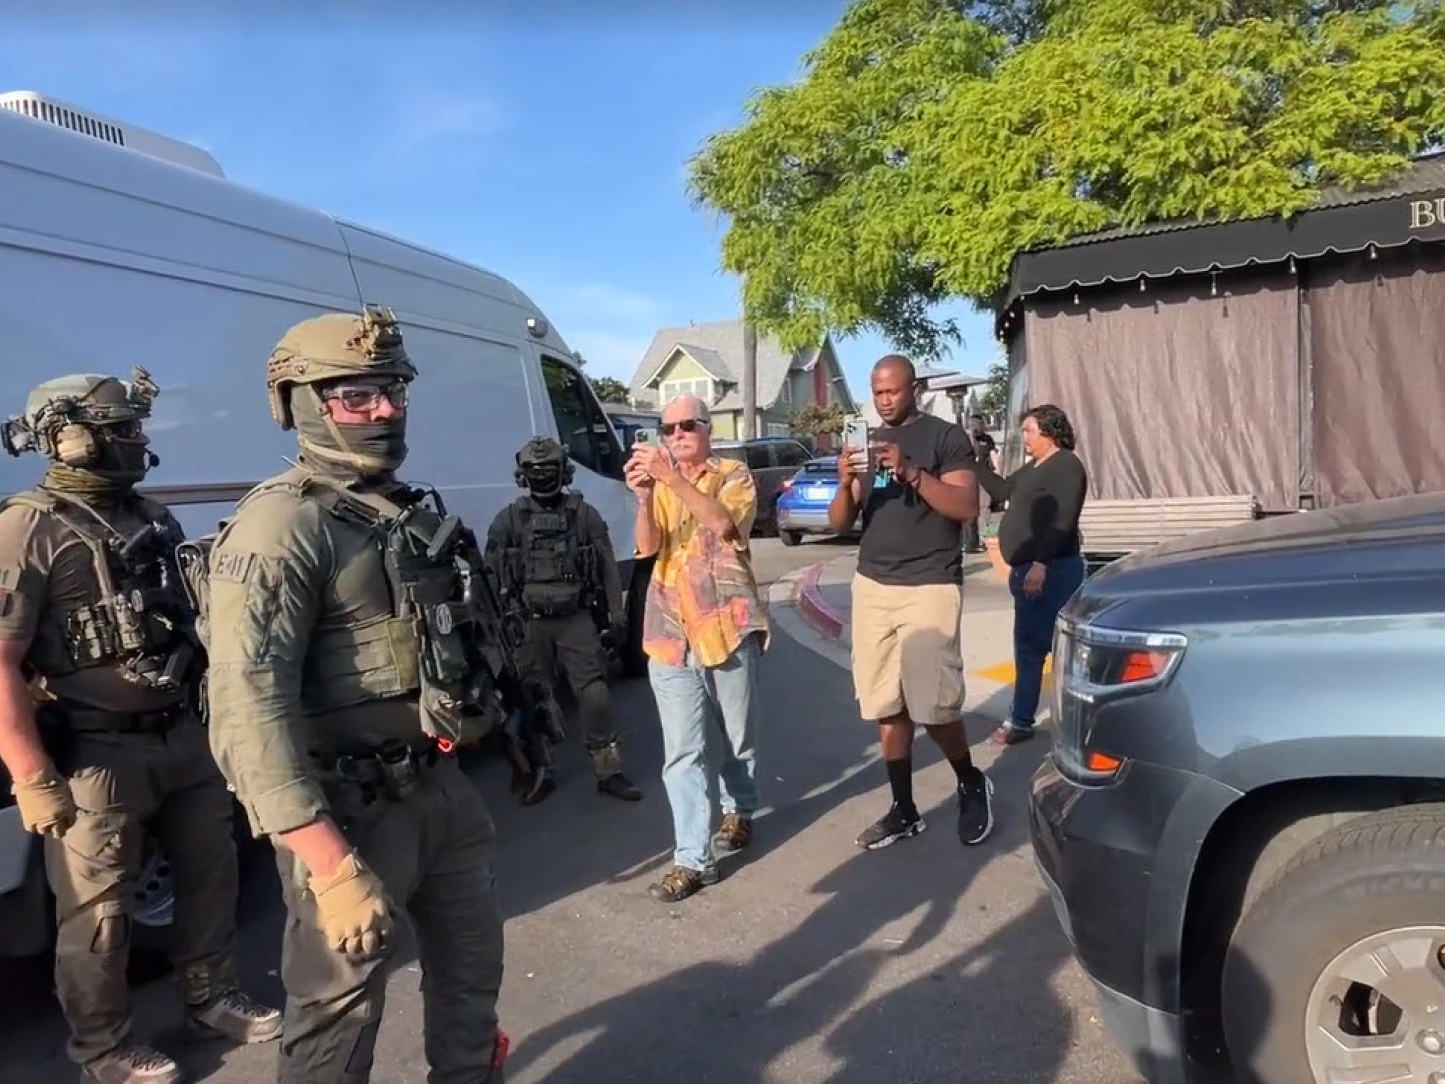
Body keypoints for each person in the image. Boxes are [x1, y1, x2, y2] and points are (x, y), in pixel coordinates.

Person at [202, 306, 509, 1083]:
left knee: (472, 985)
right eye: (357, 395)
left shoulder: (406, 508)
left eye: (395, 391)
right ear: (300, 402)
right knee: (336, 1022)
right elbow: (245, 707)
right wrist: (329, 866)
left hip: (440, 790)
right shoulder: (282, 525)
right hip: (347, 815)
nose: (384, 411)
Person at [0, 369, 281, 1084]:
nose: (140, 440)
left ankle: (209, 996)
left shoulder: (152, 516)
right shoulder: (26, 527)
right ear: (69, 438)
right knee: (96, 914)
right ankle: (102, 1048)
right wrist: (32, 776)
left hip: (181, 734)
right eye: (123, 429)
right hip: (96, 752)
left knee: (211, 875)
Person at [827, 355, 994, 851]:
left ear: (914, 388)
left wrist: (912, 473)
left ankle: (970, 780)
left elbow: (965, 509)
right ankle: (904, 809)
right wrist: (843, 480)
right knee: (885, 704)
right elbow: (840, 522)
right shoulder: (866, 441)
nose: (884, 402)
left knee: (935, 705)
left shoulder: (946, 439)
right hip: (874, 584)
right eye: (877, 393)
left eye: (893, 392)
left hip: (929, 584)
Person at [626, 394, 769, 903]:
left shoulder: (733, 474)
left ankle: (740, 806)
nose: (677, 435)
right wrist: (644, 497)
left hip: (725, 626)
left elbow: (724, 526)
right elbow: (646, 548)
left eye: (687, 425)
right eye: (668, 428)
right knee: (683, 752)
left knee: (737, 736)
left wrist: (671, 480)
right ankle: (693, 858)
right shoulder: (662, 482)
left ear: (707, 429)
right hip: (669, 631)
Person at [486, 435, 641, 802]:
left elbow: (606, 567)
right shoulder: (507, 520)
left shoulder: (584, 515)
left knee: (595, 696)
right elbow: (490, 577)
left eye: (548, 469)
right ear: (523, 475)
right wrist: (496, 631)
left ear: (564, 472)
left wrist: (617, 618)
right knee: (535, 699)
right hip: (528, 622)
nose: (541, 476)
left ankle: (608, 771)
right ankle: (541, 770)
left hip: (576, 618)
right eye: (534, 471)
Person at [974, 404, 1088, 746]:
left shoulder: (1065, 465)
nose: (1024, 436)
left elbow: (1062, 519)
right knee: (1034, 646)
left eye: (1029, 430)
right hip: (1029, 570)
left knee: (1043, 649)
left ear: (1049, 432)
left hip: (1052, 570)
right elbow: (1001, 491)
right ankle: (1033, 718)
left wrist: (1040, 564)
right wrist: (975, 461)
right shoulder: (1035, 467)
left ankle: (1026, 720)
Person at [963, 414, 999, 553]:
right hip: (970, 476)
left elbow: (992, 454)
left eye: (979, 424)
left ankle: (985, 537)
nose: (977, 427)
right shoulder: (966, 439)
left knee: (984, 506)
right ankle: (971, 541)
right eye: (974, 424)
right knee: (972, 508)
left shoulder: (987, 439)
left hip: (985, 476)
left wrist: (997, 471)